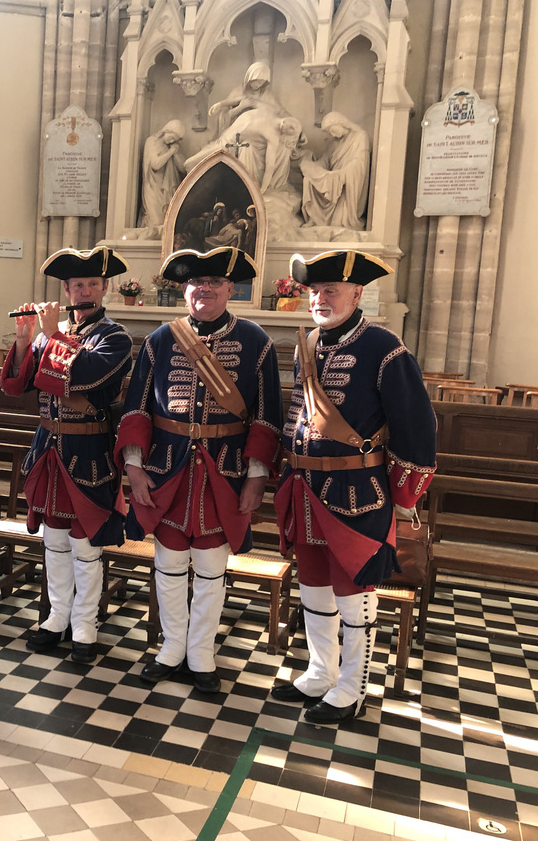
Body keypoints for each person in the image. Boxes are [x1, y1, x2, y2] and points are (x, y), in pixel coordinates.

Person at [272, 250, 436, 724]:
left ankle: (352, 687)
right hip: (306, 488)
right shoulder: (313, 345)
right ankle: (321, 673)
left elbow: (418, 433)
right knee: (314, 588)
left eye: (332, 291)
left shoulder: (385, 349)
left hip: (357, 495)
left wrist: (400, 500)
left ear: (357, 293)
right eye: (316, 291)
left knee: (353, 593)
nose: (321, 299)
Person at [116, 247, 282, 692]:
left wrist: (256, 477)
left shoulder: (256, 342)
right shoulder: (158, 340)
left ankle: (201, 652)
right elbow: (136, 409)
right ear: (185, 289)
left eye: (214, 283)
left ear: (231, 289)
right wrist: (134, 467)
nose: (203, 289)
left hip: (224, 474)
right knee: (168, 566)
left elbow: (268, 417)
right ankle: (171, 647)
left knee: (211, 570)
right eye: (195, 282)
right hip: (167, 471)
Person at [0, 247, 134, 665]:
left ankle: (85, 626)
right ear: (65, 289)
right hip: (49, 448)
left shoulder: (115, 336)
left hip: (89, 449)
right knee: (54, 541)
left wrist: (53, 334)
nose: (86, 290)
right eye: (78, 285)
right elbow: (17, 386)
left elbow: (85, 375)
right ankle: (57, 617)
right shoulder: (45, 334)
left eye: (93, 284)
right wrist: (25, 339)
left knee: (85, 544)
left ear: (106, 288)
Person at [299, 112, 372, 230]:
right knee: (308, 179)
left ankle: (334, 219)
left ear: (341, 124)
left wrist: (340, 175)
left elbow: (359, 163)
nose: (331, 134)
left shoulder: (360, 136)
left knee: (338, 222)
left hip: (345, 184)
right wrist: (312, 166)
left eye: (332, 130)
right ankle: (315, 219)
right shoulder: (334, 143)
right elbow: (325, 161)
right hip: (333, 181)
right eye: (328, 132)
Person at [207, 61, 287, 138]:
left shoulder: (267, 96)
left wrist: (294, 124)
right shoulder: (238, 92)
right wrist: (239, 108)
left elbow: (280, 112)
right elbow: (224, 116)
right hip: (239, 133)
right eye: (255, 81)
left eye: (261, 82)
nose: (258, 85)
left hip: (258, 134)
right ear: (249, 78)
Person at [140, 121, 186, 230]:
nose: (172, 141)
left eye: (175, 139)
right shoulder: (152, 142)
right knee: (156, 220)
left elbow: (183, 168)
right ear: (166, 130)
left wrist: (175, 153)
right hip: (153, 187)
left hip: (168, 189)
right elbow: (155, 164)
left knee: (166, 220)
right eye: (172, 137)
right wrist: (170, 152)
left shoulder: (171, 146)